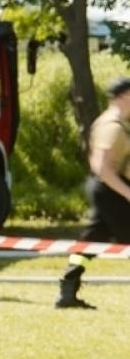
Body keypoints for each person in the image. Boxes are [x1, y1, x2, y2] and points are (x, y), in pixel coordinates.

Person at [56, 76, 130, 309]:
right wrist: (127, 193)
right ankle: (67, 290)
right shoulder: (112, 126)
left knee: (91, 240)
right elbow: (101, 166)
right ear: (124, 96)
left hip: (109, 189)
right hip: (111, 189)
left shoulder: (115, 122)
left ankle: (68, 291)